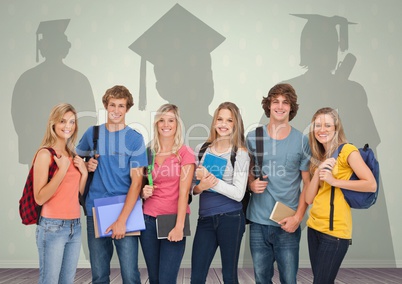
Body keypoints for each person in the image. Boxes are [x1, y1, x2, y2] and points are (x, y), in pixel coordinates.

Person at [76, 85, 147, 284]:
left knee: (130, 275)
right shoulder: (93, 134)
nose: (116, 110)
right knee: (99, 275)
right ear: (106, 106)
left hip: (126, 209)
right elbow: (74, 160)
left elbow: (136, 183)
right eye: (112, 105)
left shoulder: (135, 138)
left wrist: (122, 220)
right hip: (96, 209)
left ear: (127, 109)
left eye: (121, 106)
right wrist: (86, 163)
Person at [246, 83, 311, 284]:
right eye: (276, 101)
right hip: (258, 222)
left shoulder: (301, 140)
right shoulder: (253, 137)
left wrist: (298, 218)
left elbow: (308, 185)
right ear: (268, 105)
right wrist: (250, 184)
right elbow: (246, 171)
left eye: (286, 102)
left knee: (289, 280)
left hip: (287, 223)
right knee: (261, 279)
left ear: (292, 107)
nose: (280, 106)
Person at [305, 107, 377, 284]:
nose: (322, 130)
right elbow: (308, 199)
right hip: (314, 228)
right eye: (318, 125)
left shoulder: (347, 151)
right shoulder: (318, 157)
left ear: (336, 129)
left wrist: (334, 181)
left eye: (328, 125)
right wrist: (320, 169)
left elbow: (371, 184)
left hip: (334, 232)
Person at [191, 102, 250, 283]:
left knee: (229, 277)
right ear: (214, 121)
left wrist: (211, 181)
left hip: (231, 219)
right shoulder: (202, 149)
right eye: (220, 119)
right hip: (206, 220)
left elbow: (239, 194)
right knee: (197, 277)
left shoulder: (240, 153)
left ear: (235, 124)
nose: (223, 124)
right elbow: (194, 188)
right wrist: (201, 187)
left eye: (229, 120)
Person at [140, 103, 195, 283]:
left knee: (167, 280)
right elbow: (141, 184)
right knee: (154, 279)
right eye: (161, 120)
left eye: (171, 120)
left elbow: (184, 191)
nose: (166, 124)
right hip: (148, 219)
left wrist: (179, 226)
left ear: (177, 124)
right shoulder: (149, 152)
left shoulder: (184, 153)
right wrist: (143, 192)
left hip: (173, 220)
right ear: (156, 124)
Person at [33, 103, 87, 284]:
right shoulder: (45, 154)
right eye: (63, 121)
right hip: (52, 227)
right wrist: (62, 170)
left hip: (75, 226)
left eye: (72, 122)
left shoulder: (72, 154)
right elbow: (39, 197)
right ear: (53, 124)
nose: (68, 126)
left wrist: (85, 173)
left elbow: (78, 195)